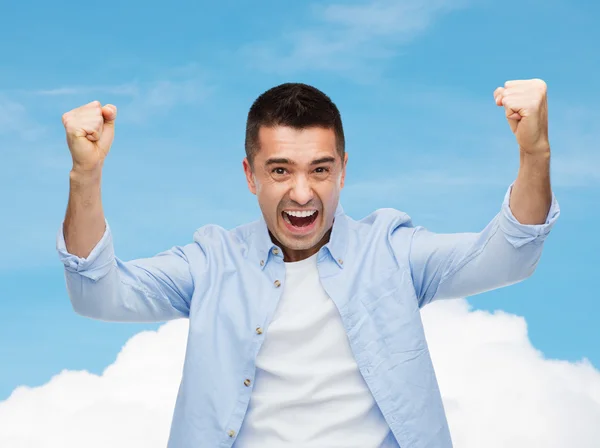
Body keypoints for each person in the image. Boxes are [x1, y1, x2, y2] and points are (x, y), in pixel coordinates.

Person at [56, 81, 560, 448]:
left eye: (320, 170)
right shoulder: (211, 263)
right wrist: (85, 175)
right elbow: (95, 293)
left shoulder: (392, 251)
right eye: (280, 171)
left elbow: (509, 257)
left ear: (343, 169)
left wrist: (534, 151)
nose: (302, 193)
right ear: (250, 176)